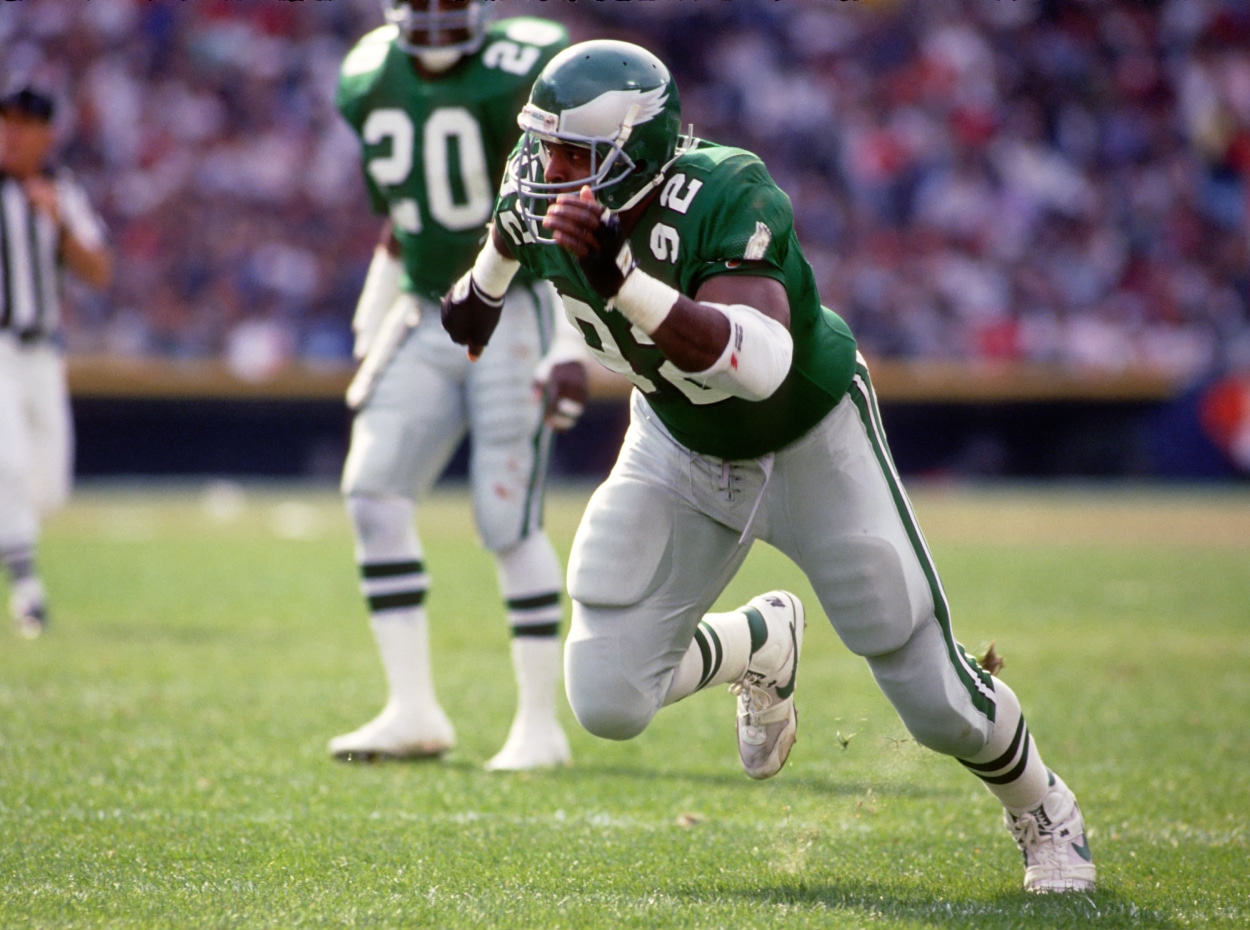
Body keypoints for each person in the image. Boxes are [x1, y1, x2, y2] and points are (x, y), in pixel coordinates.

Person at [441, 39, 1096, 892]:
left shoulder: (727, 189)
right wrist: (480, 295)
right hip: (678, 441)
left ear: (634, 152)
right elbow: (496, 255)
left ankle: (1043, 807)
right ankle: (758, 641)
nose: (548, 168)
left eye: (575, 153)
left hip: (806, 436)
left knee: (926, 686)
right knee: (605, 696)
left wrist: (624, 279)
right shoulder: (544, 188)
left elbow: (756, 364)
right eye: (544, 145)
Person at [330, 0, 589, 771]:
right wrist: (370, 318)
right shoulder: (370, 76)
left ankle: (539, 726)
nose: (438, 18)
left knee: (506, 519)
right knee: (372, 495)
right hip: (422, 306)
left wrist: (572, 337)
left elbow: (569, 207)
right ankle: (412, 709)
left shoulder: (523, 71)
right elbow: (400, 221)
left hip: (513, 304)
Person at [0, 86, 112, 639]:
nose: (11, 135)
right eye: (5, 123)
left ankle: (14, 543)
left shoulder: (62, 190)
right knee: (11, 468)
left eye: (23, 125)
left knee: (48, 485)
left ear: (47, 134)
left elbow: (99, 271)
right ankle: (29, 592)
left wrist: (58, 224)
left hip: (43, 352)